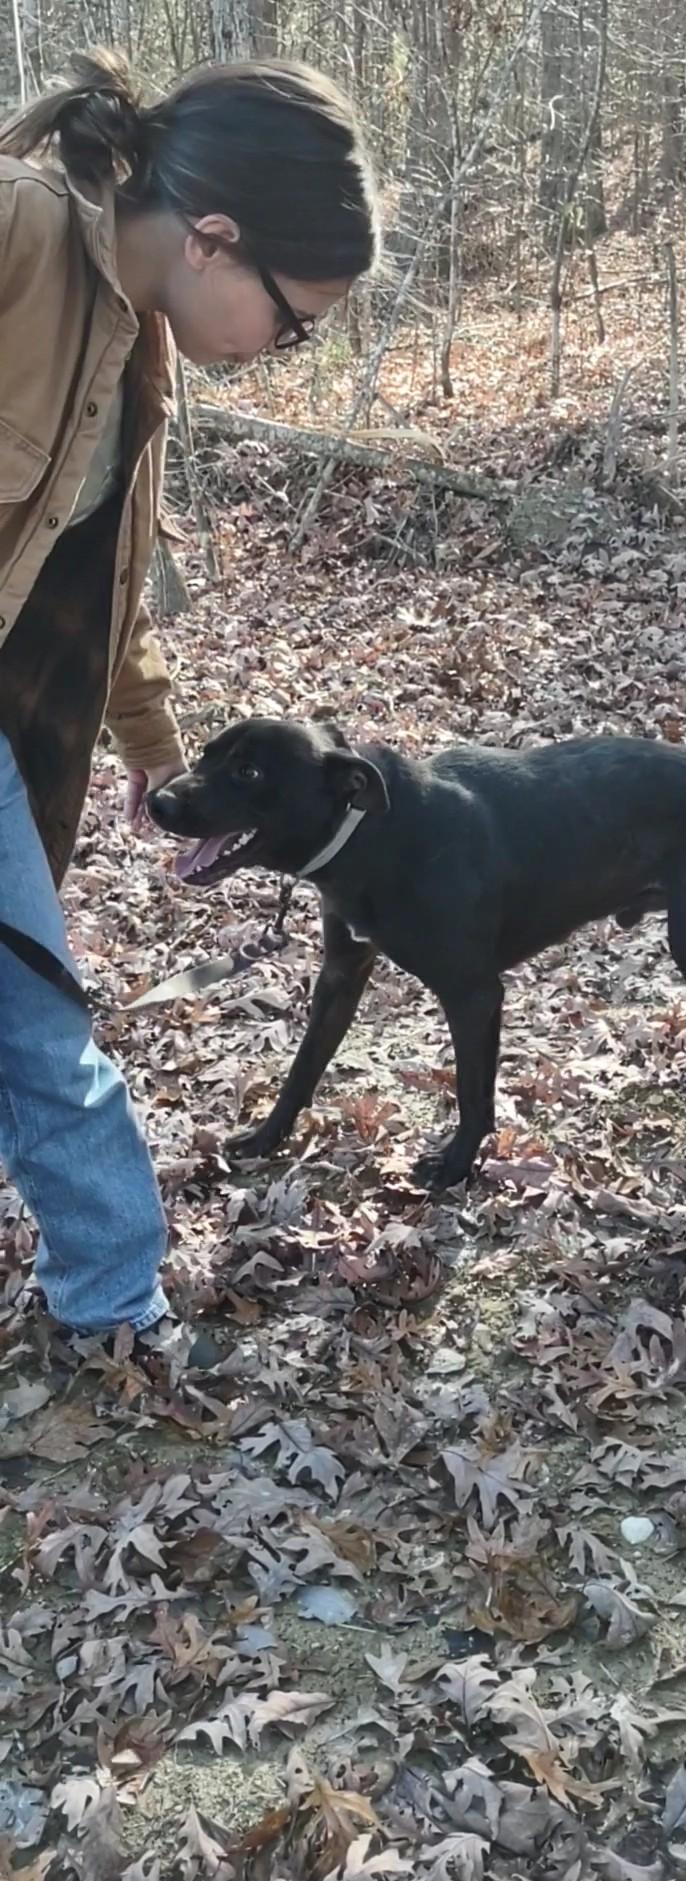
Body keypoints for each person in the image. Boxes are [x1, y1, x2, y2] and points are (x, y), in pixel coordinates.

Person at [0, 49, 379, 1359]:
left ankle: (105, 1302)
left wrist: (157, 758)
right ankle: (112, 1306)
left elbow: (105, 583)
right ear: (215, 239)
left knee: (31, 1013)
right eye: (295, 316)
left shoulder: (139, 362)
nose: (287, 347)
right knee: (39, 1026)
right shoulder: (17, 230)